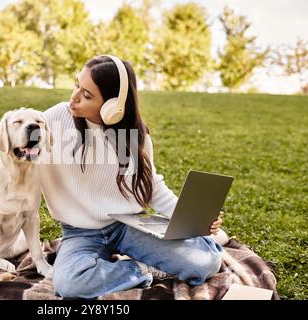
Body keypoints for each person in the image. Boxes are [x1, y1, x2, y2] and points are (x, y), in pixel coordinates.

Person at [38, 55, 224, 299]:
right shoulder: (54, 119)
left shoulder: (137, 138)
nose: (74, 98)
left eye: (87, 95)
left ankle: (193, 244)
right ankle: (144, 269)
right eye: (76, 86)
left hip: (127, 224)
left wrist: (195, 220)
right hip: (79, 232)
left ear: (113, 105)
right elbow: (17, 150)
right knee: (70, 285)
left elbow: (153, 188)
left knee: (204, 263)